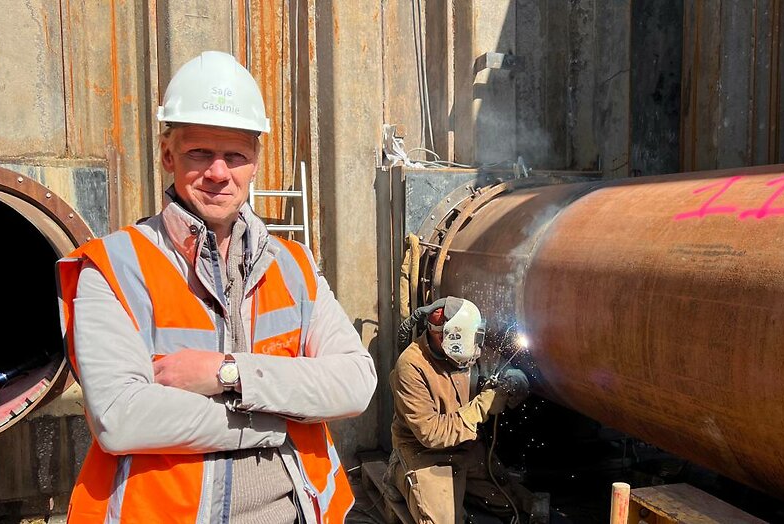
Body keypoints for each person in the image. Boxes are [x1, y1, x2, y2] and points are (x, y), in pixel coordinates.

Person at [56, 50, 377, 524]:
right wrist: (274, 420)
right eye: (199, 153)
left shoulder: (293, 265)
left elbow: (354, 383)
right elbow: (121, 418)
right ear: (168, 155)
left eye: (236, 156)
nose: (219, 172)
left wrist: (228, 373)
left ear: (255, 162)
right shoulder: (113, 268)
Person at [386, 297, 532, 523]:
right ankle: (398, 472)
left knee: (515, 503)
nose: (476, 352)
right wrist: (483, 405)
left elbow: (510, 371)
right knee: (444, 520)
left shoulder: (471, 346)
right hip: (424, 454)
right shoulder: (411, 366)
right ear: (446, 337)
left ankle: (459, 489)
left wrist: (513, 381)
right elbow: (431, 434)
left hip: (466, 448)